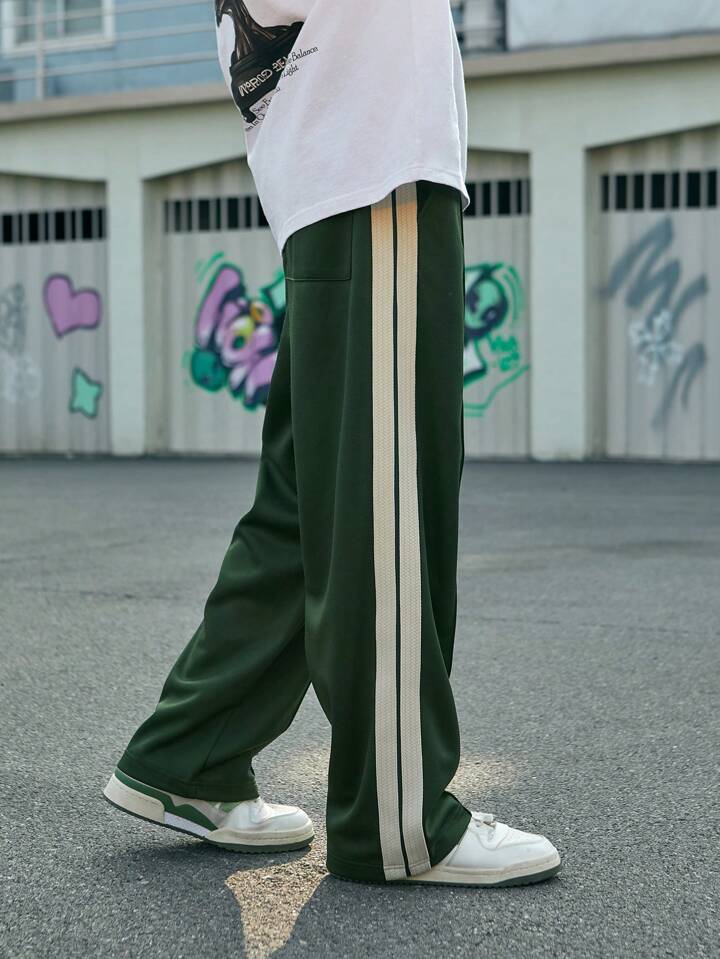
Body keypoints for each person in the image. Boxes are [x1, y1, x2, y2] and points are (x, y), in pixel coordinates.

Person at [103, 0, 561, 887]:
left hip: (343, 166)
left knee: (308, 507)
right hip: (373, 163)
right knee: (385, 504)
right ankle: (400, 818)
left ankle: (188, 755)